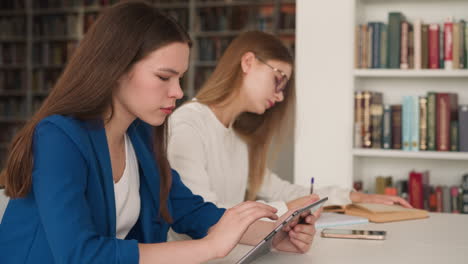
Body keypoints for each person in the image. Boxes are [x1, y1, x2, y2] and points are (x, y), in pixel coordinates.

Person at [0, 2, 318, 263]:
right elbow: (79, 254)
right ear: (116, 68)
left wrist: (272, 235)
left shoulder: (140, 135)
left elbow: (192, 212)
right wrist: (210, 247)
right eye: (164, 77)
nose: (178, 91)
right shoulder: (58, 137)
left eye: (179, 78)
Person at [167, 30, 412, 226]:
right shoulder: (189, 125)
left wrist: (353, 197)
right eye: (279, 78)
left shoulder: (239, 136)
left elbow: (284, 190)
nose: (281, 97)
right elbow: (201, 214)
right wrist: (289, 209)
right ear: (248, 62)